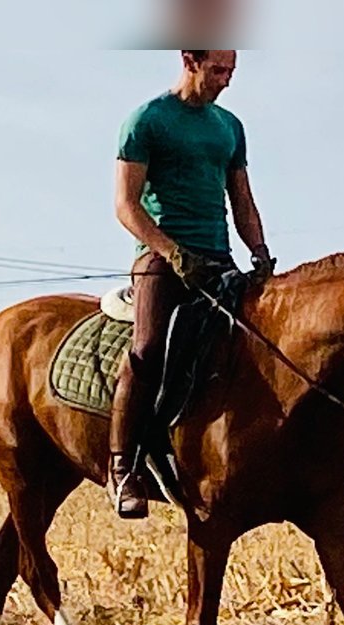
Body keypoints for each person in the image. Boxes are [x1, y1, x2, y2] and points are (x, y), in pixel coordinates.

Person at [110, 49, 273, 519]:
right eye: (219, 70)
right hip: (161, 261)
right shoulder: (147, 120)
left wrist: (259, 252)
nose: (226, 81)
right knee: (150, 350)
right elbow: (126, 205)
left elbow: (241, 200)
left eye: (232, 72)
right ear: (189, 60)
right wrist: (172, 252)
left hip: (218, 259)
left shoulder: (229, 127)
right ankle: (123, 467)